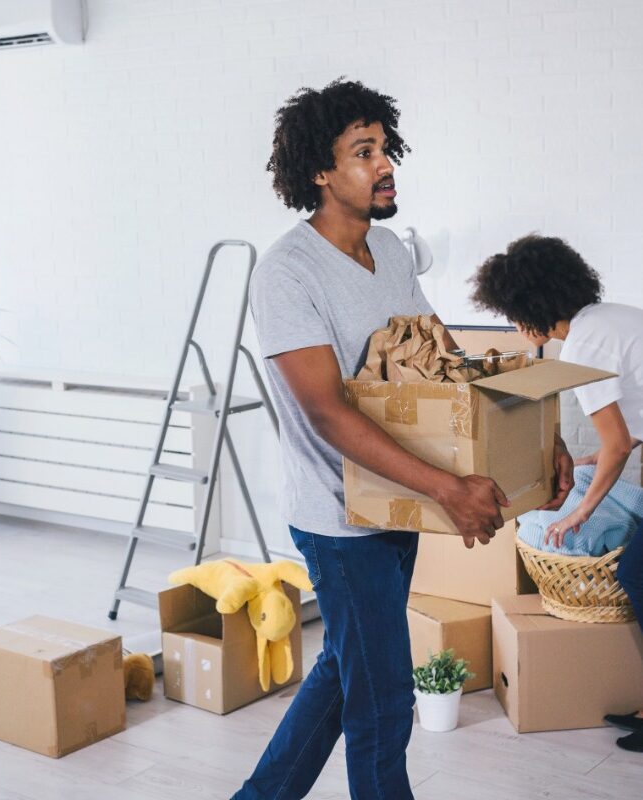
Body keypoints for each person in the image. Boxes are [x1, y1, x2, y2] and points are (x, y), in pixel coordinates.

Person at [231, 80, 573, 800]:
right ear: (320, 173)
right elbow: (326, 411)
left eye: (385, 148)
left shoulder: (388, 250)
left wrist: (539, 441)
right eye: (363, 152)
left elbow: (449, 367)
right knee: (385, 701)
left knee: (344, 671)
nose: (385, 165)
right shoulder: (287, 273)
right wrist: (449, 487)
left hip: (395, 507)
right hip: (338, 518)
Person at [470, 233, 643, 753]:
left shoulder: (585, 345)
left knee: (636, 571)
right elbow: (626, 431)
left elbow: (616, 442)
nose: (516, 328)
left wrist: (580, 514)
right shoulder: (609, 318)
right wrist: (596, 458)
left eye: (515, 315)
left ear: (533, 307)